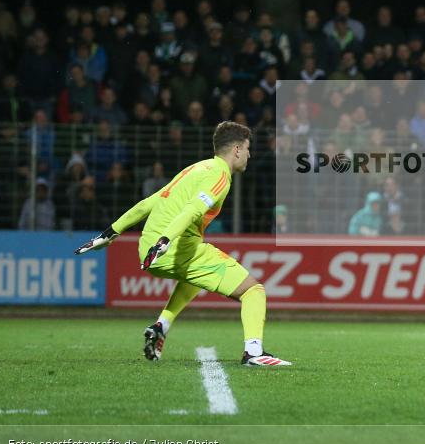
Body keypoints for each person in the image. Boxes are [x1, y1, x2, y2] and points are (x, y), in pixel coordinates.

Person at [74, 122, 291, 366]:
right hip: (171, 245)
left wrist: (111, 232)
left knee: (193, 278)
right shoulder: (220, 175)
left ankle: (161, 326)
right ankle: (253, 352)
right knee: (254, 291)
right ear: (237, 150)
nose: (250, 155)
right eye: (248, 148)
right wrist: (165, 239)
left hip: (149, 249)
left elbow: (148, 203)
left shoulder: (194, 169)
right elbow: (194, 209)